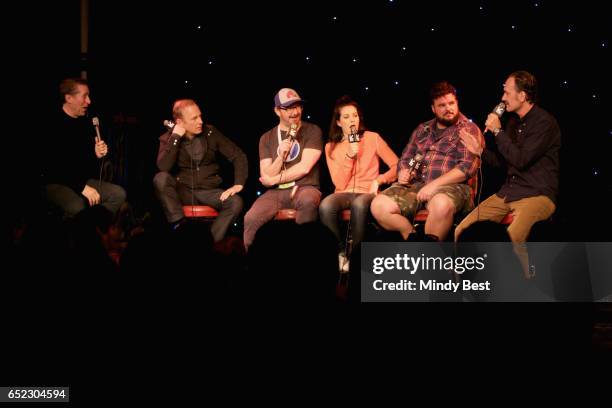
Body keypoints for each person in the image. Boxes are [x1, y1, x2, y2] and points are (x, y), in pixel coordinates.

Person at [455, 70, 560, 278]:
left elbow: (521, 160)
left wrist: (497, 131)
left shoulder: (545, 123)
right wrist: (480, 152)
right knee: (462, 231)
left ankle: (523, 288)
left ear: (522, 96)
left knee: (514, 235)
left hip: (537, 194)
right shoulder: (513, 122)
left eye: (507, 93)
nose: (502, 98)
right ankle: (465, 285)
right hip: (509, 193)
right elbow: (504, 163)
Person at [370, 81, 482, 241]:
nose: (448, 108)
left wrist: (434, 185)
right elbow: (406, 158)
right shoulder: (423, 129)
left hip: (453, 188)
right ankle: (413, 240)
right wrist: (403, 171)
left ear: (457, 103)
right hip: (418, 186)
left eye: (451, 103)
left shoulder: (467, 129)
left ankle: (428, 258)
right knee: (379, 205)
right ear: (433, 108)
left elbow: (467, 168)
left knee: (440, 204)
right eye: (442, 105)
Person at [319, 96, 398, 272]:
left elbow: (397, 166)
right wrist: (349, 156)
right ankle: (340, 255)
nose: (352, 120)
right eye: (346, 117)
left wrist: (379, 180)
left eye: (354, 115)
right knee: (325, 205)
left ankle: (357, 258)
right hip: (344, 192)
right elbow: (338, 183)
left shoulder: (372, 138)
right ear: (339, 122)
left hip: (367, 192)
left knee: (359, 203)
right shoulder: (331, 147)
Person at [153, 99, 247, 242]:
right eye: (194, 118)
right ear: (179, 122)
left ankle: (209, 243)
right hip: (183, 191)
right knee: (160, 178)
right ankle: (180, 228)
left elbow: (238, 155)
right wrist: (176, 137)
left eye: (200, 116)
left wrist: (238, 183)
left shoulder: (210, 132)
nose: (200, 121)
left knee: (235, 202)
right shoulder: (170, 138)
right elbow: (163, 167)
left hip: (210, 192)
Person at [243, 88, 323, 249]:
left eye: (298, 106)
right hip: (276, 192)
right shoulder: (266, 138)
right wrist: (281, 156)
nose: (295, 112)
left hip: (305, 187)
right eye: (289, 108)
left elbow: (304, 168)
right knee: (251, 218)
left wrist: (274, 179)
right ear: (277, 111)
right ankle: (252, 264)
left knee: (308, 201)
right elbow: (266, 175)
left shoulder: (313, 130)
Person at [44, 78, 126, 219]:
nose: (89, 101)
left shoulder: (85, 124)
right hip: (56, 182)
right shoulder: (51, 124)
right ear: (69, 98)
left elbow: (82, 165)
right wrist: (82, 188)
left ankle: (94, 227)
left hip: (80, 180)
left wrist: (95, 154)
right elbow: (56, 168)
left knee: (118, 194)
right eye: (84, 96)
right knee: (78, 206)